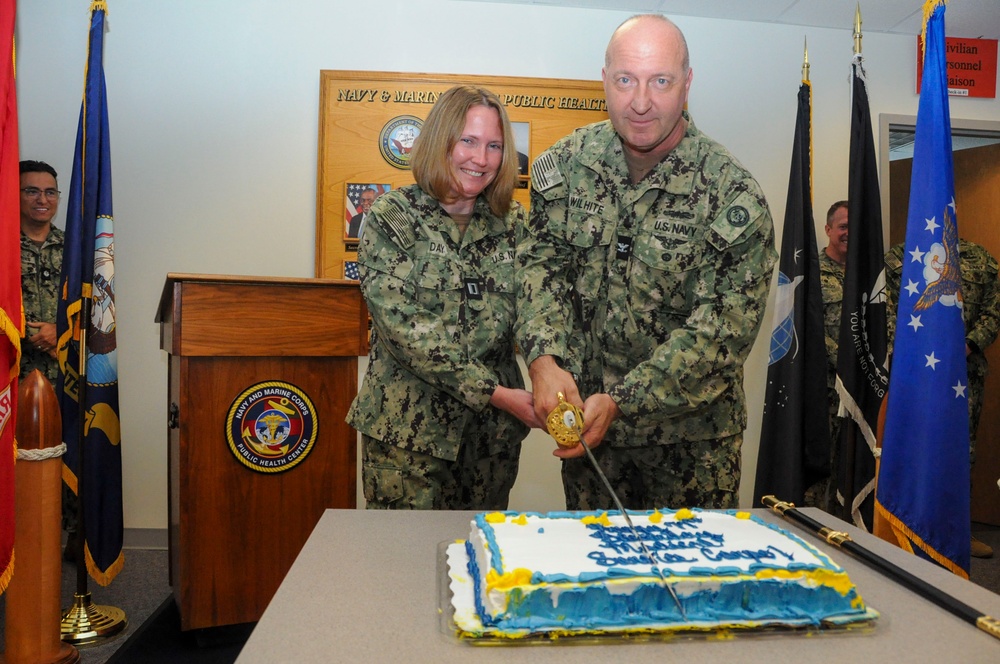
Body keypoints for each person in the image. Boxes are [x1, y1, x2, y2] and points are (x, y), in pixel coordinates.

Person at [516, 14, 776, 511]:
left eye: (660, 81)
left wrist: (621, 399)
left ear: (687, 84)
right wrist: (542, 359)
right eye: (625, 80)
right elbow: (539, 270)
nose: (640, 102)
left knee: (694, 586)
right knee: (598, 580)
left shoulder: (730, 194)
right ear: (605, 81)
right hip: (591, 446)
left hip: (691, 448)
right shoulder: (568, 166)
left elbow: (719, 335)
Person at [347, 85, 542, 510]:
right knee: (402, 568)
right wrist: (496, 392)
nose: (481, 158)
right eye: (468, 141)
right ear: (441, 142)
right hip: (407, 440)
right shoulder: (391, 217)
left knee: (482, 561)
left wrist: (549, 374)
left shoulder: (515, 225)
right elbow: (407, 331)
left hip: (490, 444)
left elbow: (537, 309)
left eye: (494, 145)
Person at [886, 238, 1000, 558]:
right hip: (915, 373)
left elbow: (995, 308)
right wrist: (918, 350)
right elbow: (886, 310)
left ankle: (957, 533)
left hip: (963, 374)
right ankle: (911, 527)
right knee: (915, 446)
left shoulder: (982, 258)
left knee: (961, 450)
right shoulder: (899, 257)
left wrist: (967, 345)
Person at [803, 200, 848, 510]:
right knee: (821, 471)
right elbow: (811, 331)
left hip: (864, 392)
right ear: (828, 229)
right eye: (843, 226)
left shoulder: (871, 278)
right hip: (827, 392)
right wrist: (848, 364)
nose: (848, 232)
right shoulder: (814, 275)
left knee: (853, 470)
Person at [19, 160, 63, 384]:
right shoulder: (4, 247)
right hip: (11, 375)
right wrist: (39, 336)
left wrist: (60, 331)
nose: (43, 200)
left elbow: (95, 305)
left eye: (50, 192)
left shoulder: (75, 249)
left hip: (66, 377)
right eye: (32, 191)